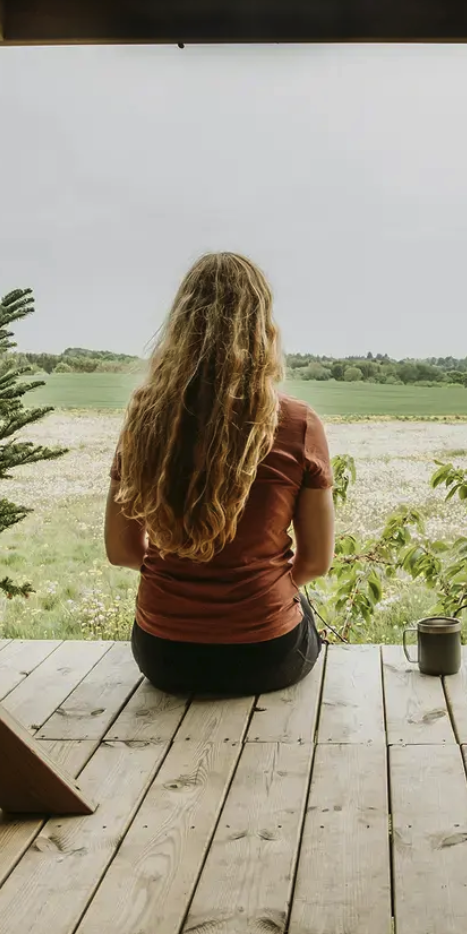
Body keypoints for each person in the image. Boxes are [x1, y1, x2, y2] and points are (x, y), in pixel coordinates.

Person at [104, 253, 334, 695]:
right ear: (263, 326)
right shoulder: (298, 423)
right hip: (267, 654)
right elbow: (316, 562)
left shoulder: (144, 421)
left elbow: (121, 550)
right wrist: (259, 596)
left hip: (162, 655)